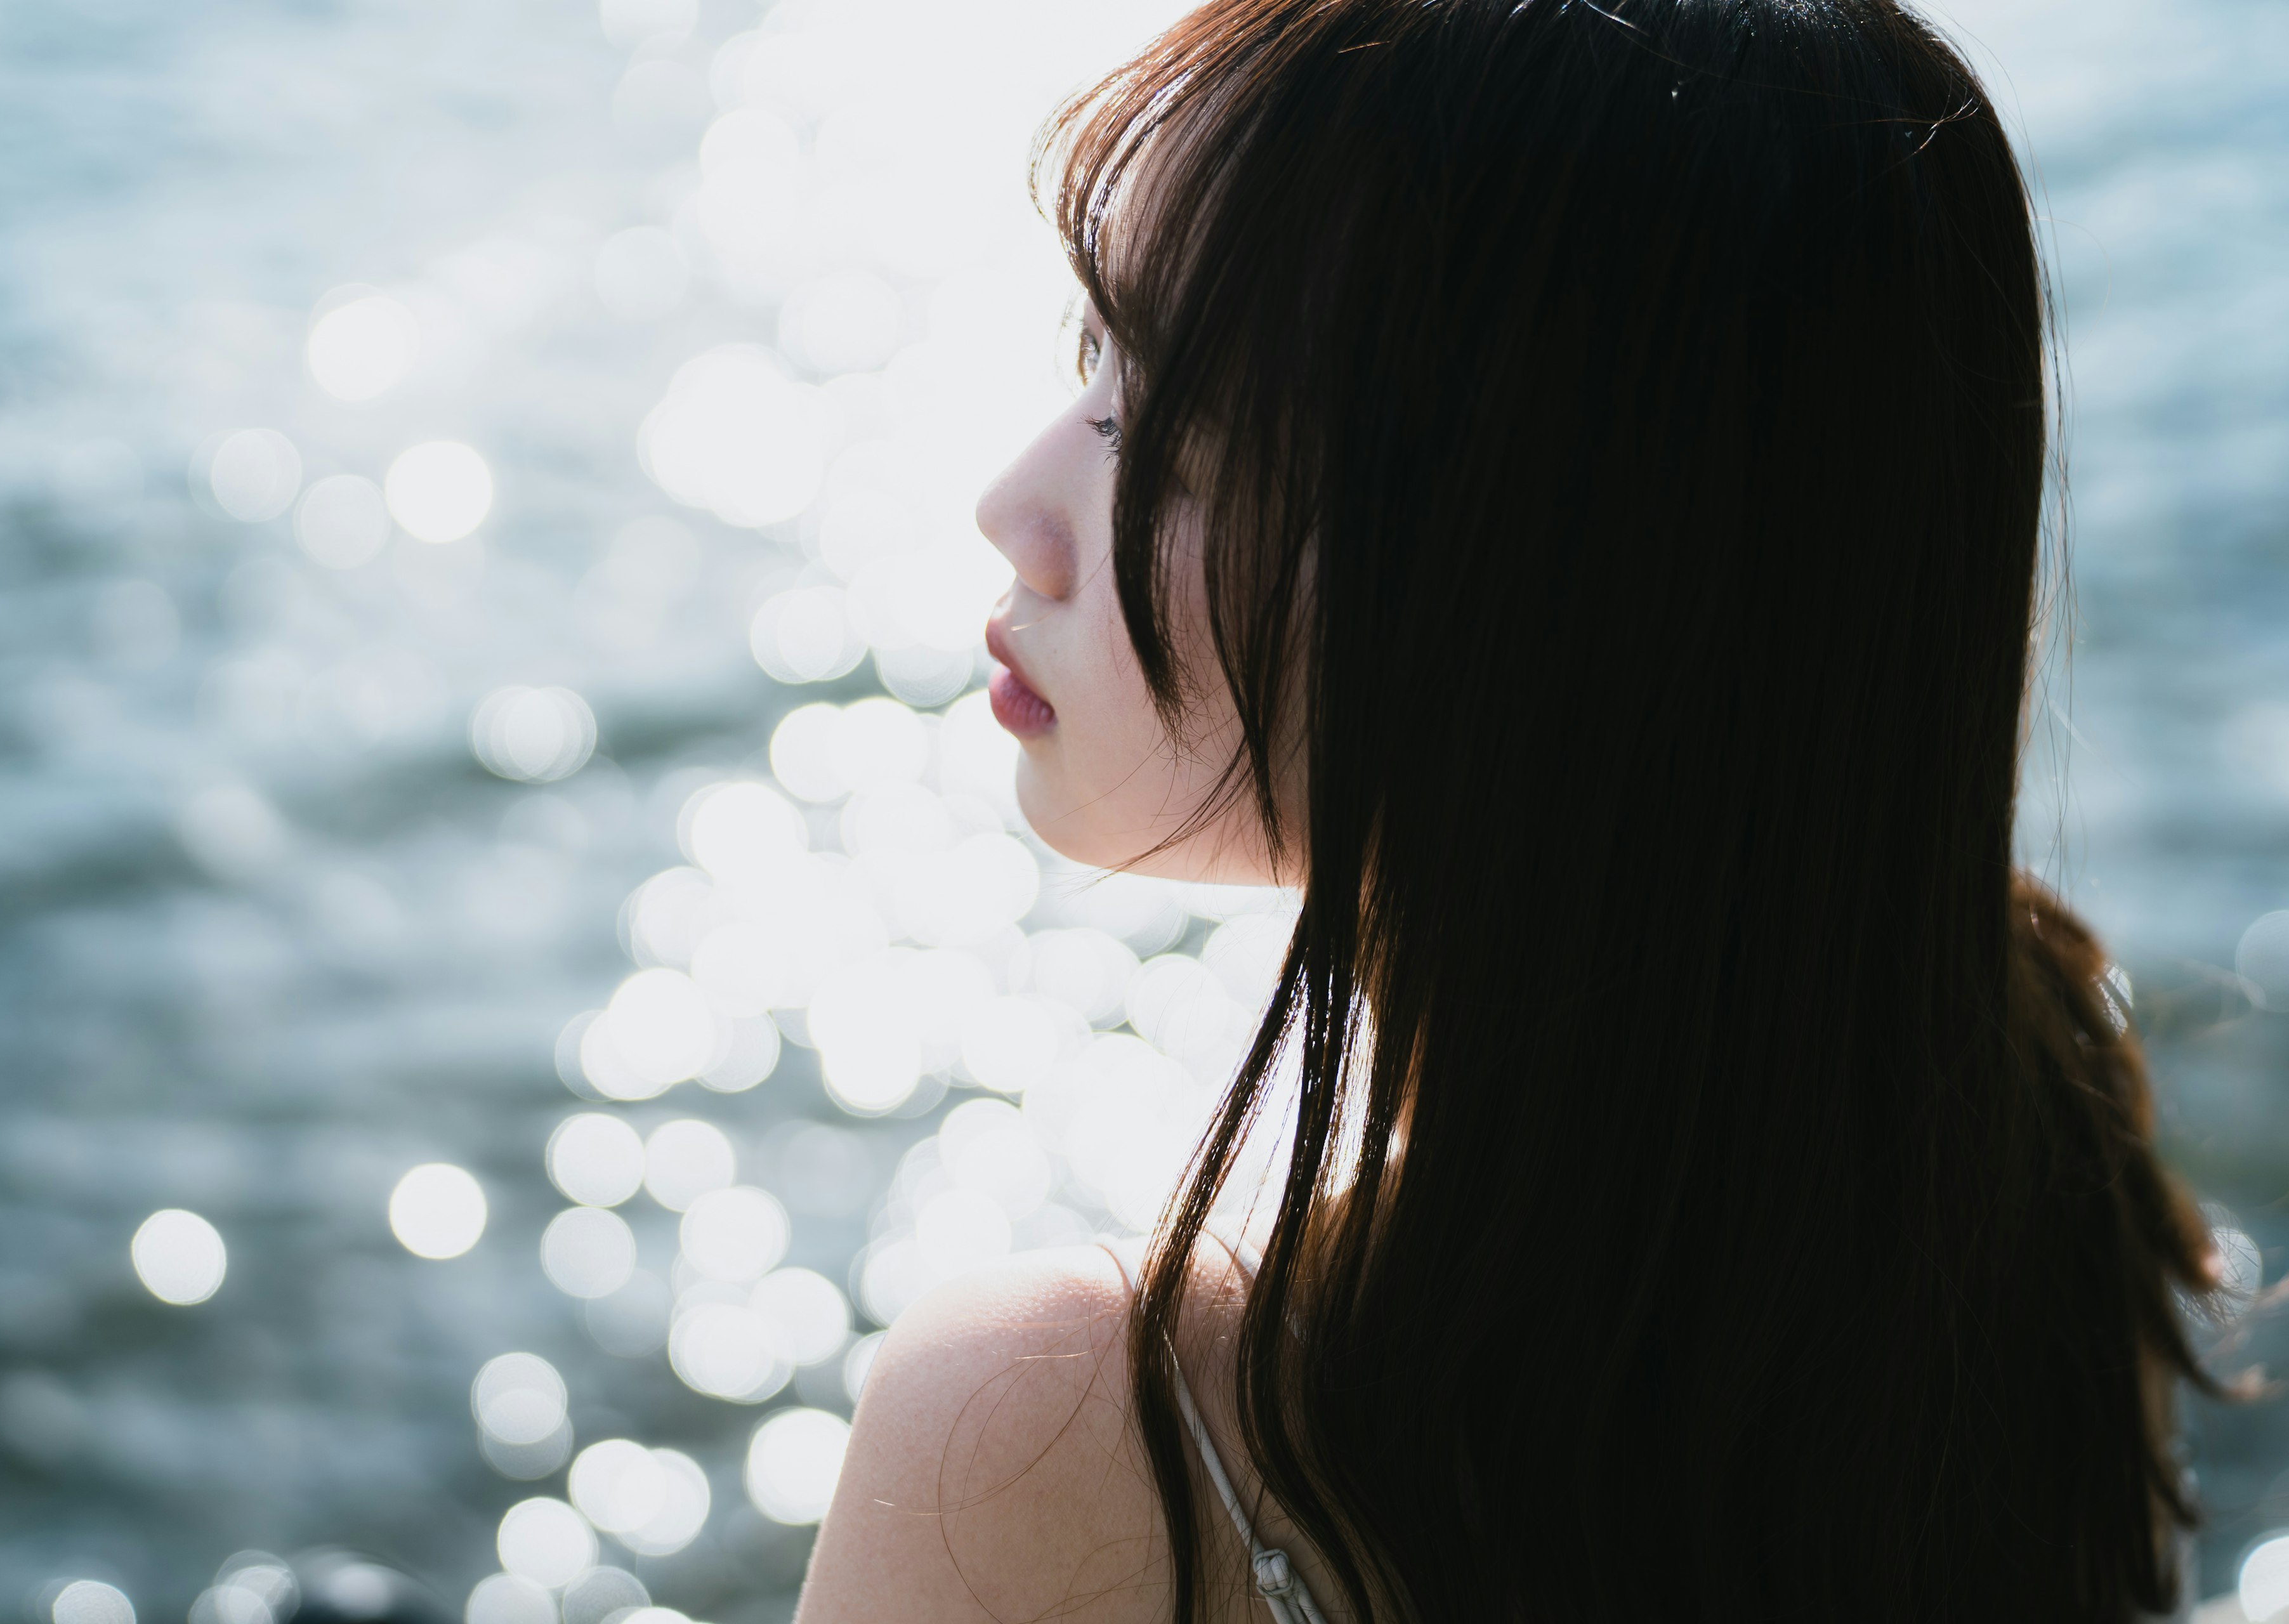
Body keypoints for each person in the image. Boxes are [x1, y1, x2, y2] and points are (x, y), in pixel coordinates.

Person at [794, 1, 2220, 1619]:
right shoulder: (2032, 1142)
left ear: (1545, 588)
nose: (1014, 508)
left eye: (1170, 429)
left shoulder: (1060, 1434)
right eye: (1091, 358)